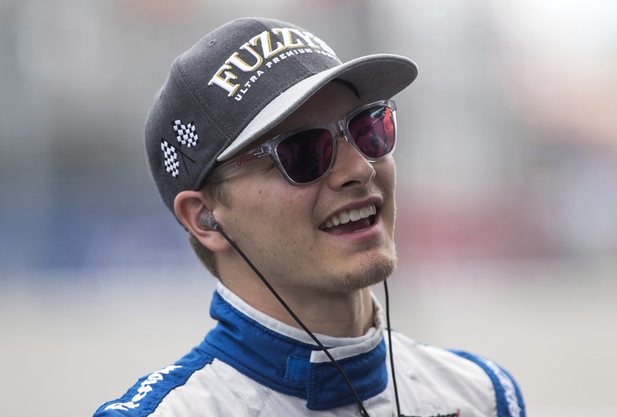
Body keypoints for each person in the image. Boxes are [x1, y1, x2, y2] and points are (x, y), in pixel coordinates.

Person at [94, 17, 526, 417]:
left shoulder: (480, 396)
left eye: (368, 129)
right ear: (205, 217)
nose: (359, 169)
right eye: (301, 153)